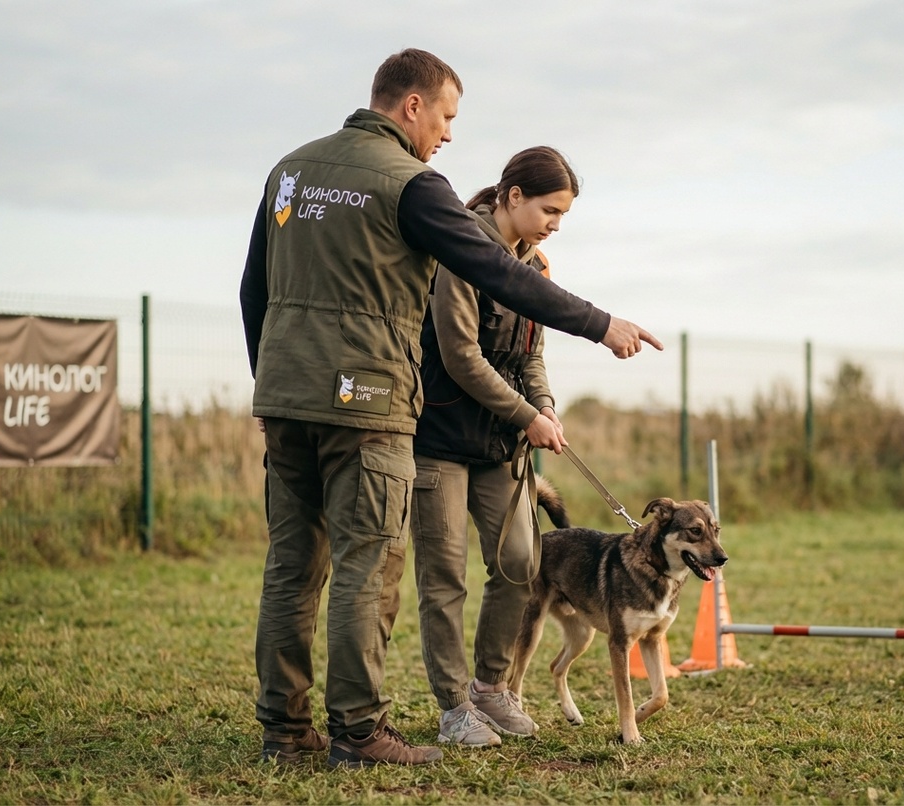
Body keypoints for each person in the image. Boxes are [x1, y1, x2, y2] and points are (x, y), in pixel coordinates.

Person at [238, 48, 662, 770]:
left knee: (290, 569)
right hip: (366, 404)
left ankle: (284, 730)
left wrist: (275, 384)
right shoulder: (411, 183)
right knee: (366, 569)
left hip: (286, 399)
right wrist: (600, 323)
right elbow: (495, 268)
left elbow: (254, 289)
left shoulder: (291, 169)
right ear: (411, 106)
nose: (450, 134)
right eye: (447, 115)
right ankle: (359, 732)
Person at [410, 146, 579, 747]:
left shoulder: (538, 267)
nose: (555, 223)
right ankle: (454, 707)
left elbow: (532, 352)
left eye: (562, 215)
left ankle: (491, 688)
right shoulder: (460, 249)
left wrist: (547, 406)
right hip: (440, 438)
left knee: (520, 564)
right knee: (444, 577)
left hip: (503, 444)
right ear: (511, 197)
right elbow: (460, 357)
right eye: (549, 210)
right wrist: (527, 414)